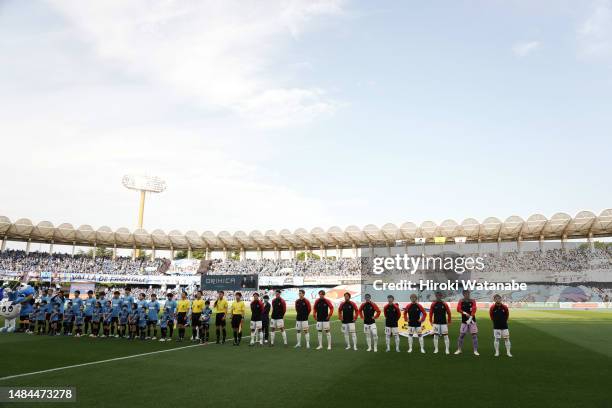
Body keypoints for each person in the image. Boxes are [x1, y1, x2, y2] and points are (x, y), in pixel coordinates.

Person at [455, 290, 479, 356]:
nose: (467, 295)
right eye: (465, 293)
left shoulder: (473, 300)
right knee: (461, 335)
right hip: (464, 321)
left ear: (469, 294)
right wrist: (465, 313)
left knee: (474, 335)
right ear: (463, 294)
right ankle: (459, 349)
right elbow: (458, 309)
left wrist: (471, 316)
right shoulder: (461, 301)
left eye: (468, 293)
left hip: (472, 321)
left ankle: (475, 350)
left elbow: (474, 308)